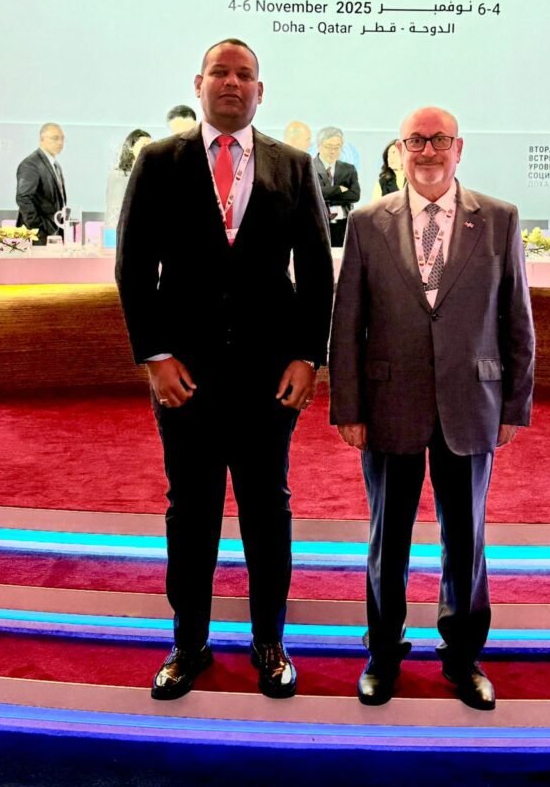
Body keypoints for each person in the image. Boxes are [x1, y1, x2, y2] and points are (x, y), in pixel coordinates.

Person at [116, 38, 334, 702]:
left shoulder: (294, 165)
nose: (231, 82)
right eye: (220, 72)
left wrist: (308, 356)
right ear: (200, 83)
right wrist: (155, 357)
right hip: (185, 376)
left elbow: (316, 271)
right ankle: (189, 643)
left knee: (269, 509)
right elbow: (134, 266)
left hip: (271, 378)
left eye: (244, 74)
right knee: (191, 510)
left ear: (260, 91)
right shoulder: (159, 161)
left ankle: (270, 641)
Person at [329, 107, 535, 709]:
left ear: (458, 148)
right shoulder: (367, 222)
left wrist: (514, 405)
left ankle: (463, 658)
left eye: (439, 140)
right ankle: (382, 654)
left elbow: (516, 318)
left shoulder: (498, 219)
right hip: (388, 403)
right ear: (399, 150)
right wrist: (348, 406)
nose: (427, 151)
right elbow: (347, 323)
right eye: (415, 141)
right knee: (387, 539)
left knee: (465, 541)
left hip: (472, 402)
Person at [15, 123, 67, 244]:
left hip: (54, 234)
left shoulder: (56, 165)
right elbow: (23, 199)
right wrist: (38, 229)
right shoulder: (31, 164)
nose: (60, 142)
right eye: (55, 138)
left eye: (62, 139)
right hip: (36, 238)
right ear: (42, 139)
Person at [313, 126, 361, 247]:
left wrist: (326, 195)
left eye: (337, 147)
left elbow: (355, 195)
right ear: (319, 146)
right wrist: (338, 189)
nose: (333, 151)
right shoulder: (309, 167)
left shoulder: (349, 169)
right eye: (329, 147)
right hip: (317, 224)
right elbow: (312, 194)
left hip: (343, 225)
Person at [104, 129, 152, 229]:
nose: (149, 150)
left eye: (151, 146)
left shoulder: (152, 175)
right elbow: (114, 211)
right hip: (122, 230)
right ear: (131, 148)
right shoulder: (118, 176)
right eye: (144, 146)